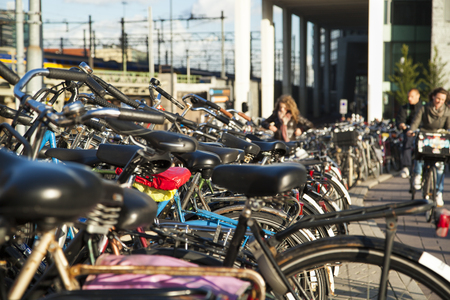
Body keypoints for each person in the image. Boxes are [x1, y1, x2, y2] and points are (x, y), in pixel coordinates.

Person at [407, 87, 450, 207]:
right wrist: (412, 130)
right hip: (426, 136)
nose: (439, 101)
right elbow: (416, 121)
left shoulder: (446, 111)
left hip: (439, 140)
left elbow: (448, 126)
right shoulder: (425, 108)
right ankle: (418, 175)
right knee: (420, 154)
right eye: (438, 98)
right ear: (433, 97)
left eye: (442, 100)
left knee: (440, 167)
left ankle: (438, 193)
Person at [396, 88, 423, 178]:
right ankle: (406, 167)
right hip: (409, 132)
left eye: (412, 96)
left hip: (421, 132)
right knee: (407, 142)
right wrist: (401, 125)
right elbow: (400, 120)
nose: (409, 99)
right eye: (408, 97)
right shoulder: (405, 108)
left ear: (418, 96)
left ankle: (424, 168)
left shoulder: (424, 107)